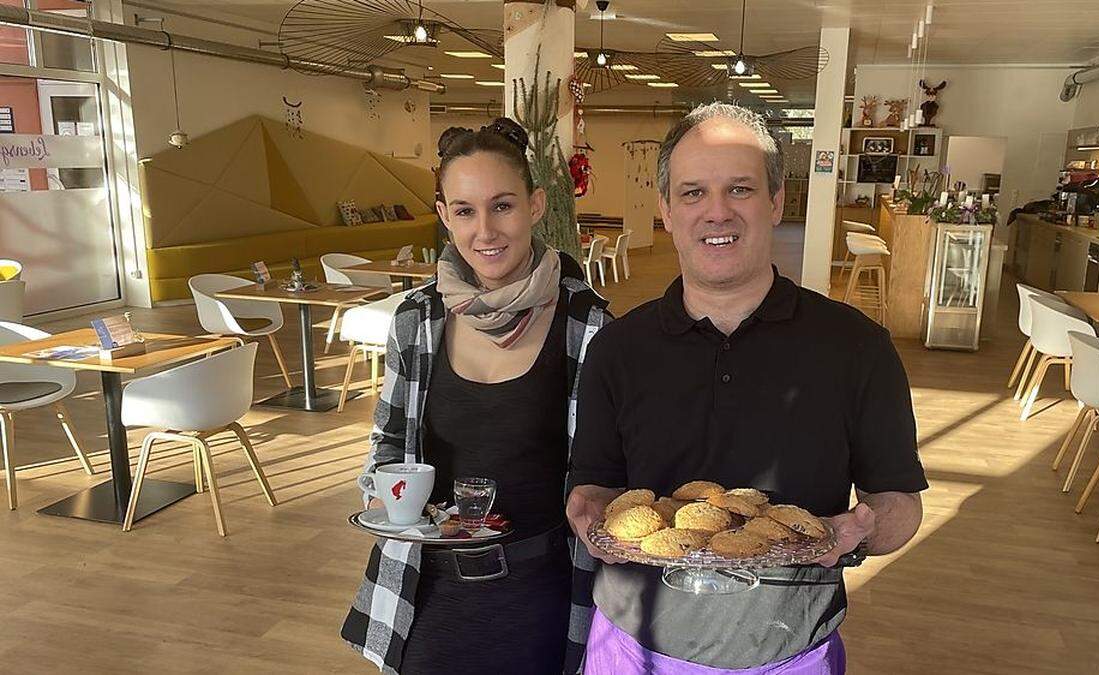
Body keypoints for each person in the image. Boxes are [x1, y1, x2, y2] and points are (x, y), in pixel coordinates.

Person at [566, 102, 927, 673]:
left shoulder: (857, 348)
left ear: (776, 201)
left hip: (789, 651)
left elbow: (900, 505)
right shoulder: (616, 350)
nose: (717, 213)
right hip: (633, 649)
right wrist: (585, 509)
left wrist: (861, 530)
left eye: (739, 189)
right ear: (665, 207)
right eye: (692, 193)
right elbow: (594, 487)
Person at [341, 118, 610, 675]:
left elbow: (607, 470)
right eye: (464, 210)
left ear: (536, 206)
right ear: (444, 217)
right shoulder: (418, 318)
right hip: (426, 590)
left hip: (544, 595)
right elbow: (390, 438)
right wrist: (382, 494)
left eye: (503, 206)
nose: (485, 230)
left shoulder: (588, 326)